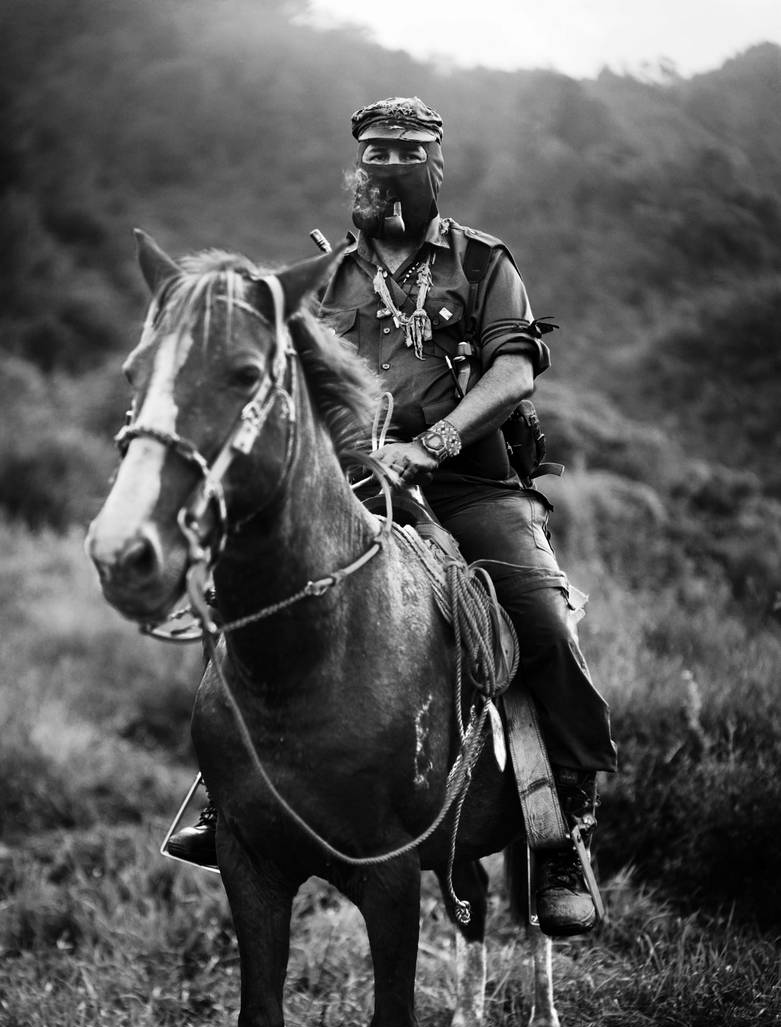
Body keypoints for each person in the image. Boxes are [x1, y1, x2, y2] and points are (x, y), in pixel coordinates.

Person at [170, 96, 617, 938]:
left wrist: (435, 443)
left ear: (432, 168)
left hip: (471, 487)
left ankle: (562, 825)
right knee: (253, 606)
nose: (383, 170)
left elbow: (513, 372)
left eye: (403, 155)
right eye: (372, 154)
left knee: (542, 621)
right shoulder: (325, 278)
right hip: (350, 488)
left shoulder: (484, 263)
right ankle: (223, 795)